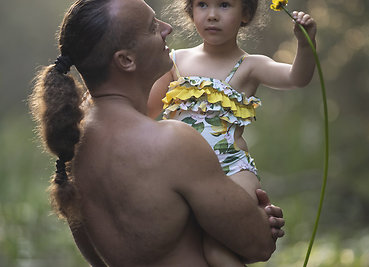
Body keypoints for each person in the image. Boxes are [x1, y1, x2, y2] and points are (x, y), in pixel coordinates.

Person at [29, 0, 284, 266]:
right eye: (152, 27)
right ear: (126, 60)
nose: (168, 28)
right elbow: (259, 244)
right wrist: (259, 217)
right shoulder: (173, 142)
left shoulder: (72, 146)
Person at [147, 0, 316, 266]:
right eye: (202, 4)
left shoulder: (251, 66)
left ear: (245, 14)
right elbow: (145, 111)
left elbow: (297, 78)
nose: (212, 15)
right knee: (181, 244)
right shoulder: (174, 61)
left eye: (224, 5)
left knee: (217, 248)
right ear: (191, 11)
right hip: (180, 169)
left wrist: (306, 44)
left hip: (232, 171)